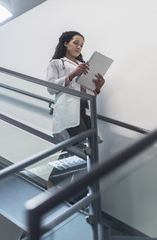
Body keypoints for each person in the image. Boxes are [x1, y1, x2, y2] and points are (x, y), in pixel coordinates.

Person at [46, 31, 105, 189]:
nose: (79, 47)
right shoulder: (57, 63)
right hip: (70, 109)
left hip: (85, 109)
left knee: (84, 152)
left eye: (81, 45)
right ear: (66, 43)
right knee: (78, 148)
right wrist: (72, 75)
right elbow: (51, 88)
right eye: (76, 43)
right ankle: (53, 184)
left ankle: (68, 191)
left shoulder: (84, 67)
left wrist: (97, 88)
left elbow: (86, 92)